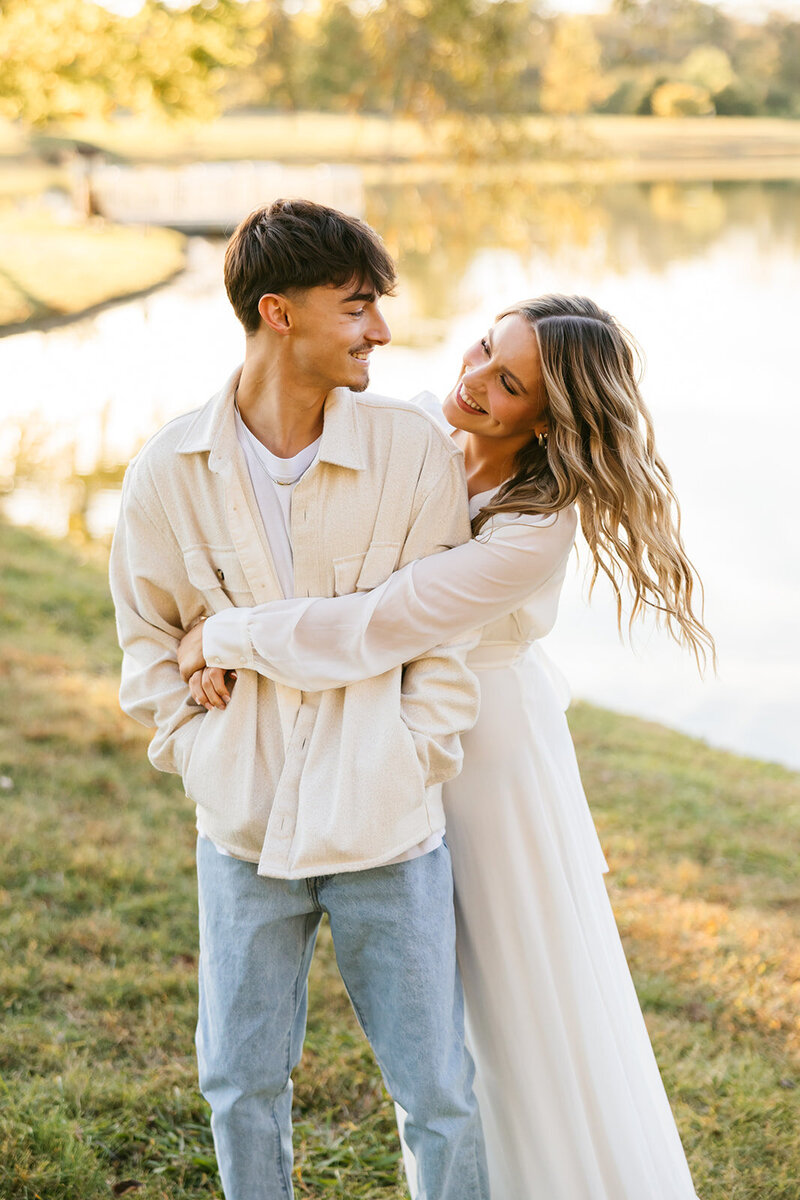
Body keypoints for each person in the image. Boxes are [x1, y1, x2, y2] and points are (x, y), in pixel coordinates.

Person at [178, 294, 715, 1200]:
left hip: (490, 756)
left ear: (553, 419)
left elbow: (386, 621)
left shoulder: (538, 525)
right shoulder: (413, 430)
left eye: (508, 384)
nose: (472, 381)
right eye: (482, 349)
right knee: (432, 1014)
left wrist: (229, 638)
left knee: (512, 993)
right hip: (383, 725)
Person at [109, 198, 491, 1200]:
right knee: (237, 1085)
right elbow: (147, 647)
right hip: (241, 837)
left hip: (388, 831)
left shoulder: (412, 453)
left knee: (438, 1094)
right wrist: (201, 753)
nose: (381, 331)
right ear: (278, 314)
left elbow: (445, 641)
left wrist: (413, 753)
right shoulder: (167, 473)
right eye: (357, 305)